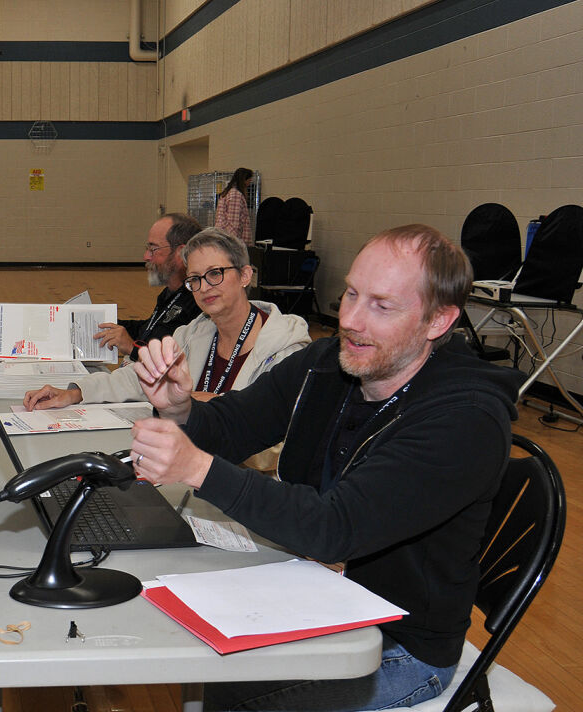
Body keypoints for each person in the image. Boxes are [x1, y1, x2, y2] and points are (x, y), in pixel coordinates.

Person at [129, 224, 522, 711]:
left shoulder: (465, 419)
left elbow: (333, 527)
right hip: (319, 592)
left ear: (438, 321)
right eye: (352, 295)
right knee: (197, 657)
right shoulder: (330, 364)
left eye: (382, 305)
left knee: (231, 696)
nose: (352, 319)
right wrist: (181, 409)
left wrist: (197, 467)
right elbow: (233, 425)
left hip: (399, 647)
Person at [24, 226, 309, 412]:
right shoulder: (193, 334)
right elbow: (139, 378)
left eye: (215, 274)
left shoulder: (285, 350)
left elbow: (271, 421)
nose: (205, 287)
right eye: (195, 279)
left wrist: (187, 400)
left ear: (245, 275)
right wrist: (75, 393)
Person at [93, 213, 203, 361]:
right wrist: (102, 323)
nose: (146, 256)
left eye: (153, 249)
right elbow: (149, 328)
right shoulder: (170, 293)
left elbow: (176, 367)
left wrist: (132, 348)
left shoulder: (198, 303)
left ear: (180, 253)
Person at [214, 166, 254, 244]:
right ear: (244, 179)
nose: (250, 181)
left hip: (225, 238)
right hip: (230, 240)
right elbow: (233, 223)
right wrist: (235, 244)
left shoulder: (228, 192)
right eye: (249, 179)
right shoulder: (235, 195)